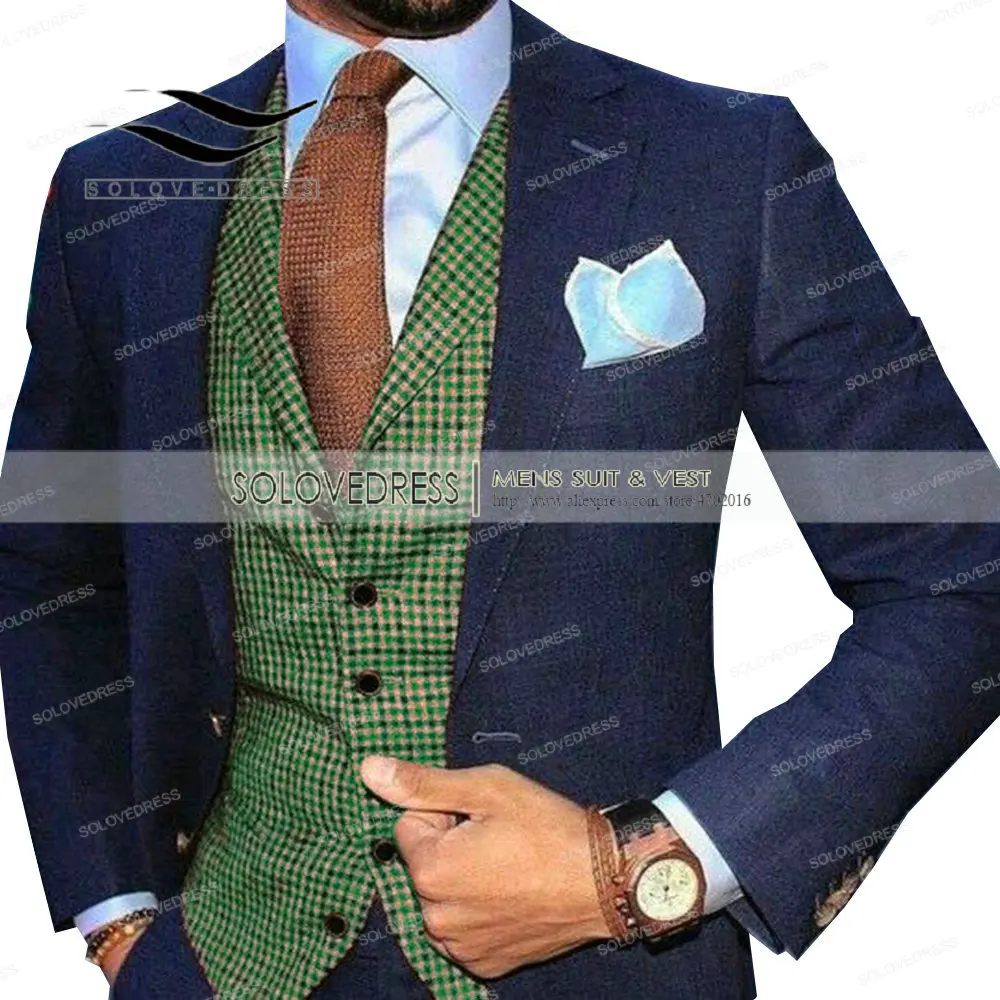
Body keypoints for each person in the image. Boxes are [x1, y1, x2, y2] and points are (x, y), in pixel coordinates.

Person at [2, 1, 998, 998]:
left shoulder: (724, 159)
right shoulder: (123, 192)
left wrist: (654, 862)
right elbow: (52, 567)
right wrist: (117, 916)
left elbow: (960, 578)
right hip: (221, 959)